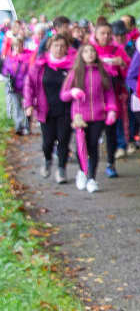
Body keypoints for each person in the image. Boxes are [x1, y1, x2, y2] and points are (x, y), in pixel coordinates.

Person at [60, 42, 118, 193]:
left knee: (93, 146)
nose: (90, 54)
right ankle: (82, 172)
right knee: (81, 146)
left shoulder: (102, 72)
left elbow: (109, 94)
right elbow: (63, 95)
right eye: (86, 52)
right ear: (81, 55)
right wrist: (72, 92)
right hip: (80, 117)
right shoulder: (75, 73)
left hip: (98, 115)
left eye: (92, 51)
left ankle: (92, 178)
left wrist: (111, 110)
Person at [24, 34, 75, 183]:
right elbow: (29, 85)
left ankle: (61, 170)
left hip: (66, 110)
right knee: (48, 142)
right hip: (45, 110)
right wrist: (28, 105)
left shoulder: (72, 65)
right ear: (49, 47)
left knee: (64, 141)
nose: (59, 49)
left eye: (62, 46)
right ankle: (47, 160)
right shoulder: (40, 65)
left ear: (66, 48)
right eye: (55, 46)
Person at [91, 21, 130, 176]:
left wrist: (122, 65)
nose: (106, 36)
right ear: (96, 35)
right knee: (93, 132)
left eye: (109, 33)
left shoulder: (118, 50)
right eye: (102, 33)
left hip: (113, 96)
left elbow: (128, 72)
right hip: (94, 98)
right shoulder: (90, 50)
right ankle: (89, 163)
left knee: (111, 131)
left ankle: (110, 163)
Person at [2, 35, 32, 135]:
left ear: (22, 45)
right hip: (14, 86)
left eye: (19, 45)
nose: (17, 48)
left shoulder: (28, 57)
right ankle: (19, 126)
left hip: (26, 87)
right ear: (13, 47)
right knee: (17, 106)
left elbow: (31, 71)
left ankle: (27, 126)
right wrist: (8, 76)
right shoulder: (9, 58)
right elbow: (5, 70)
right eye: (15, 46)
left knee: (27, 106)